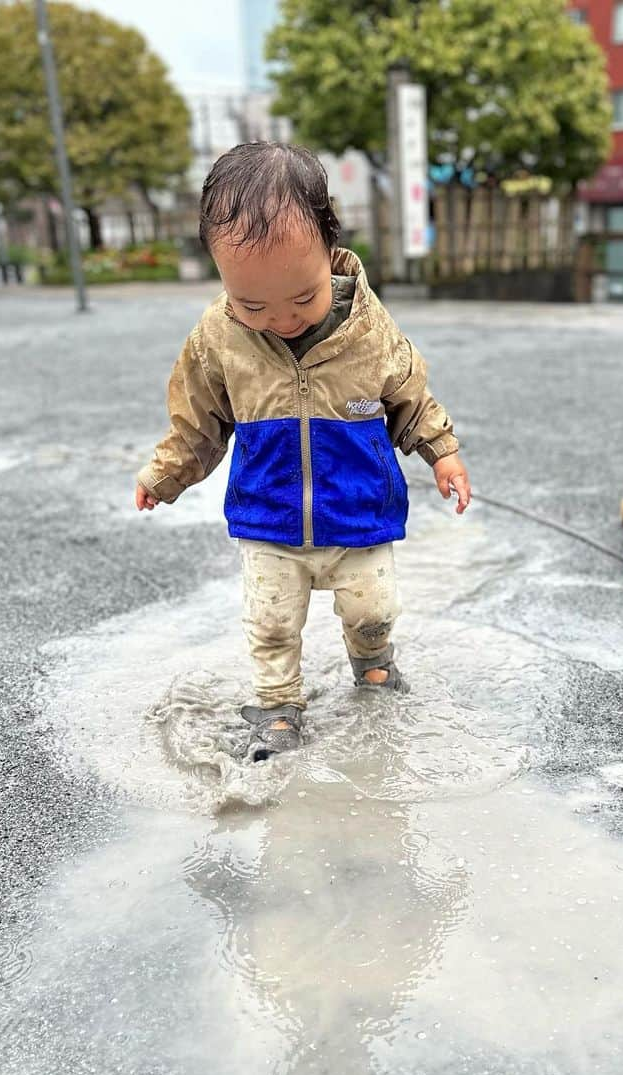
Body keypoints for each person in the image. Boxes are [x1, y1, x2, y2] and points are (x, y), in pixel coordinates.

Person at [135, 142, 471, 762]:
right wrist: (167, 474)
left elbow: (410, 399)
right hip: (270, 517)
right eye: (252, 305)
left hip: (358, 515)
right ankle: (278, 703)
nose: (281, 320)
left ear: (329, 246)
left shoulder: (370, 329)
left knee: (374, 607)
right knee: (270, 622)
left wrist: (441, 452)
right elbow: (197, 423)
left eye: (302, 299)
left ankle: (372, 661)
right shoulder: (218, 341)